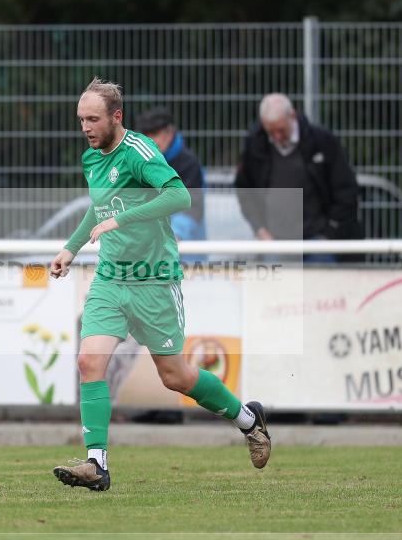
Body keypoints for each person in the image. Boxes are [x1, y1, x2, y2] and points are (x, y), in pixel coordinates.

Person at [50, 78, 271, 491]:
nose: (85, 127)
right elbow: (100, 208)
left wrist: (122, 219)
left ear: (117, 116)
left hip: (154, 281)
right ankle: (96, 463)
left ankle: (248, 419)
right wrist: (70, 248)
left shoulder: (140, 152)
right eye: (81, 120)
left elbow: (179, 196)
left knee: (176, 377)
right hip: (111, 278)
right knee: (89, 362)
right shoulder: (92, 158)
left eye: (93, 119)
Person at [235, 93, 362, 255]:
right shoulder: (255, 146)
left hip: (318, 241)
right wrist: (259, 228)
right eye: (271, 132)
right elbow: (245, 190)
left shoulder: (322, 141)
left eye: (281, 130)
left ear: (292, 116)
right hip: (275, 242)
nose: (277, 137)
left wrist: (330, 232)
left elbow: (346, 189)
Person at [135, 106, 206, 241]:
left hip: (184, 246)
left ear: (170, 132)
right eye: (146, 135)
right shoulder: (139, 163)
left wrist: (175, 233)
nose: (150, 141)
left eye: (155, 134)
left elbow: (193, 206)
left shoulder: (189, 164)